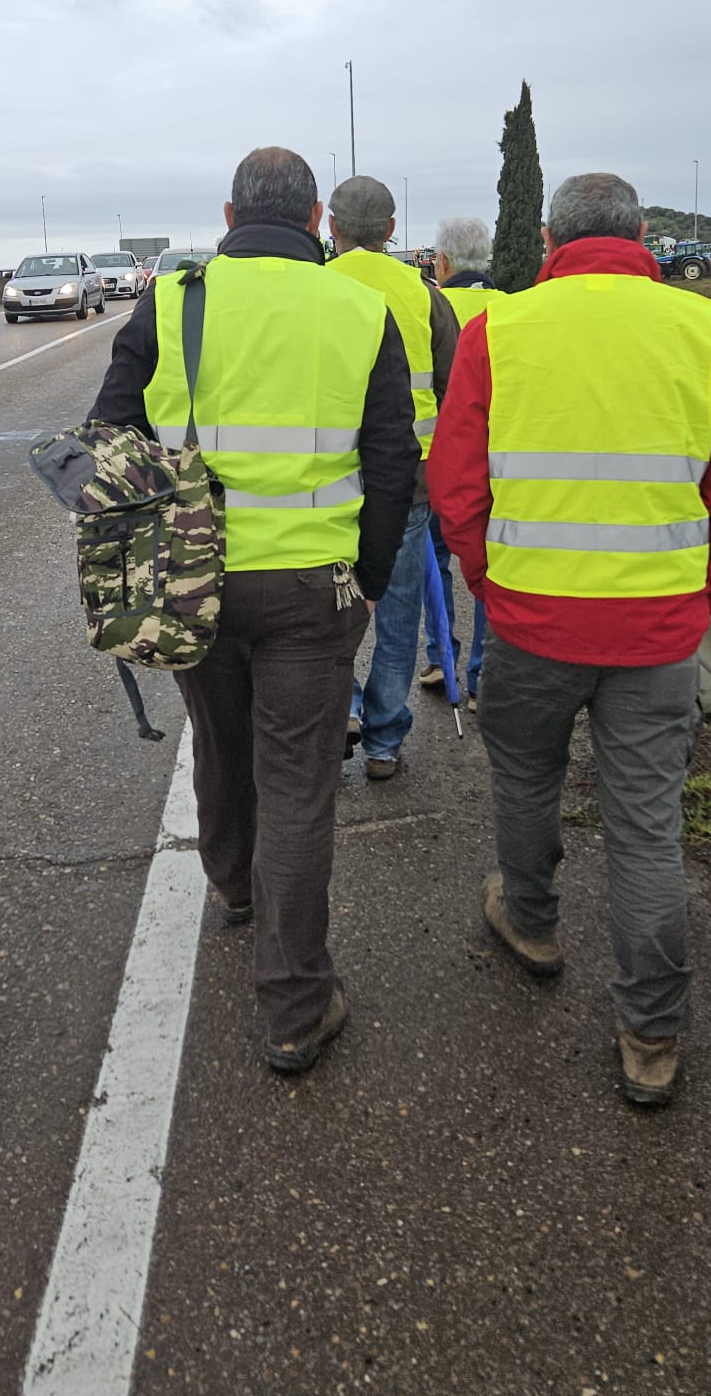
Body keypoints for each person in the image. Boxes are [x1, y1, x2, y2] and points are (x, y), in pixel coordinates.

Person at [428, 172, 711, 1108]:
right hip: (657, 630)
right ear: (646, 235)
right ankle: (650, 1035)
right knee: (647, 828)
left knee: (527, 778)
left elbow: (455, 487)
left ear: (548, 241)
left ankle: (533, 925)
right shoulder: (708, 331)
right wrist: (695, 594)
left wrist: (489, 580)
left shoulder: (501, 329)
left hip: (532, 620)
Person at [91, 147, 419, 1073]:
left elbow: (108, 437)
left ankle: (233, 888)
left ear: (230, 215)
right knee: (298, 784)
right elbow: (393, 461)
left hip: (194, 577)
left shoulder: (171, 299)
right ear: (318, 218)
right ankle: (294, 1004)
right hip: (316, 589)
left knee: (221, 740)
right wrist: (374, 577)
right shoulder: (362, 305)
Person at [327, 176, 460, 782]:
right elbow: (455, 393)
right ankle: (383, 740)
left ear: (330, 227)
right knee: (399, 612)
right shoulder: (424, 292)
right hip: (409, 477)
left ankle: (345, 707)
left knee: (327, 609)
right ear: (390, 229)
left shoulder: (317, 290)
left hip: (326, 478)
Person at [419, 216, 502, 709]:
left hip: (432, 463)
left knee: (437, 567)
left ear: (441, 262)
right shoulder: (516, 309)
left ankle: (442, 660)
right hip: (501, 469)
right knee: (491, 568)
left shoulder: (429, 305)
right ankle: (483, 675)